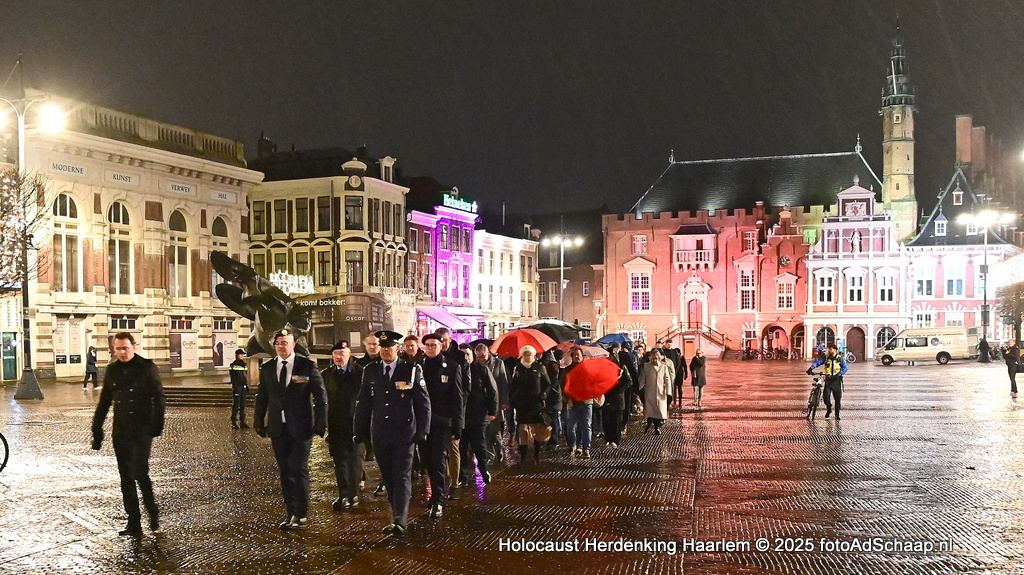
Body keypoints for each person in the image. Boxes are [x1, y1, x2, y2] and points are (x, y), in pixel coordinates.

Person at [354, 330, 430, 537]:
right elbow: (363, 403)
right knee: (388, 476)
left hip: (404, 432)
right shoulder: (370, 370)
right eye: (383, 347)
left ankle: (400, 519)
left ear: (398, 349)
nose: (386, 351)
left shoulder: (411, 369)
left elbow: (423, 403)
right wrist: (358, 430)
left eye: (390, 347)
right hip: (380, 432)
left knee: (402, 474)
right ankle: (395, 513)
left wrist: (423, 430)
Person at [91, 332, 165, 536]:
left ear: (134, 346)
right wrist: (97, 430)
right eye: (118, 349)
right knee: (125, 478)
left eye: (125, 348)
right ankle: (134, 523)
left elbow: (158, 397)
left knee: (140, 472)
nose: (122, 352)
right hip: (121, 431)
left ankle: (153, 512)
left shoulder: (147, 367)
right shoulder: (112, 370)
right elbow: (105, 401)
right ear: (114, 350)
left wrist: (157, 424)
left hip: (142, 429)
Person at [253, 329, 327, 530]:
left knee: (298, 467)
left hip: (302, 427)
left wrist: (321, 423)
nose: (281, 346)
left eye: (285, 342)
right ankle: (290, 511)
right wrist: (258, 421)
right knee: (285, 470)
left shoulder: (307, 366)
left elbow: (321, 397)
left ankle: (301, 513)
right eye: (278, 343)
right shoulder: (268, 368)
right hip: (278, 427)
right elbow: (262, 397)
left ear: (293, 344)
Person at [420, 333, 463, 519]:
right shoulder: (417, 367)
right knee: (427, 461)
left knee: (438, 460)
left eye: (434, 344)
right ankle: (435, 495)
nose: (431, 348)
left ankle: (438, 499)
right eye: (428, 345)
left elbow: (457, 397)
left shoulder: (452, 367)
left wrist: (458, 425)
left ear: (441, 346)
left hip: (441, 422)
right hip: (421, 422)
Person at [322, 340, 364, 511]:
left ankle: (354, 494)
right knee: (340, 462)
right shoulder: (326, 374)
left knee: (355, 460)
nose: (339, 357)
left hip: (355, 424)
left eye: (343, 353)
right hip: (336, 425)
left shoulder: (360, 372)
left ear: (349, 355)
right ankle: (343, 495)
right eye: (336, 354)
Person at [460, 343, 498, 485]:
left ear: (472, 355)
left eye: (467, 354)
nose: (465, 357)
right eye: (462, 355)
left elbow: (492, 390)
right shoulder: (457, 370)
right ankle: (462, 476)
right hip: (462, 415)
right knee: (462, 447)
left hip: (478, 414)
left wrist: (492, 411)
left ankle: (484, 470)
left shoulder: (481, 369)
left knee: (479, 445)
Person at [508, 345, 552, 464]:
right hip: (522, 403)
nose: (527, 356)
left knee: (537, 429)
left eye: (529, 354)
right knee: (523, 429)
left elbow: (547, 384)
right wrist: (512, 399)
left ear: (533, 355)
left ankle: (536, 454)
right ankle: (523, 454)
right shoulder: (518, 368)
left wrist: (544, 394)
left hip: (536, 403)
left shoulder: (539, 367)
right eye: (525, 354)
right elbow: (513, 385)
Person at [355, 333, 384, 496]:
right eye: (370, 344)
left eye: (376, 344)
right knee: (360, 449)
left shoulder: (385, 362)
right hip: (365, 414)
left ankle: (384, 481)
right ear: (365, 345)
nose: (373, 347)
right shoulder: (359, 365)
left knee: (382, 451)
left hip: (382, 414)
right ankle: (360, 477)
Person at [476, 344, 509, 465]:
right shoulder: (476, 364)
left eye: (483, 356)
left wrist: (504, 401)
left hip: (496, 401)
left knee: (495, 430)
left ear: (488, 353)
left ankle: (499, 449)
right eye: (479, 357)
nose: (481, 359)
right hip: (482, 402)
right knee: (485, 430)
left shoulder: (498, 363)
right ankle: (489, 454)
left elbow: (503, 382)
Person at [562, 347, 593, 459]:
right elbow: (563, 387)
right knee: (570, 427)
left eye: (578, 355)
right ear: (571, 357)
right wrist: (567, 399)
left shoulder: (588, 369)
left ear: (582, 356)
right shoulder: (567, 370)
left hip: (586, 402)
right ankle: (573, 445)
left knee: (586, 426)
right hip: (573, 403)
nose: (576, 356)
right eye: (574, 355)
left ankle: (586, 448)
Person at [806, 343, 848, 419]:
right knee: (826, 398)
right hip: (828, 381)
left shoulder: (840, 359)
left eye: (830, 349)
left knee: (837, 399)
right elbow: (818, 362)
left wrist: (839, 374)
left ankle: (837, 415)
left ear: (835, 350)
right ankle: (829, 408)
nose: (829, 350)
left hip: (836, 381)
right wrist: (811, 368)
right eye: (829, 349)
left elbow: (845, 368)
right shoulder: (826, 358)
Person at [602, 345, 632, 448]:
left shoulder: (622, 367)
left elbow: (629, 381)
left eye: (612, 355)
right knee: (606, 420)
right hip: (607, 396)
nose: (610, 357)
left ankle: (616, 440)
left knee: (616, 421)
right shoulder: (604, 368)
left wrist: (618, 390)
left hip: (617, 398)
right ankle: (608, 438)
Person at [639, 348, 672, 434]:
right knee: (651, 410)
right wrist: (639, 388)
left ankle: (657, 426)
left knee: (660, 410)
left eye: (656, 358)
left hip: (661, 392)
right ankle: (651, 424)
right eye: (653, 358)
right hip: (650, 392)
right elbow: (643, 378)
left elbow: (667, 379)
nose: (655, 360)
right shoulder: (646, 366)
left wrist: (668, 391)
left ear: (659, 358)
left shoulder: (664, 366)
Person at [660, 339, 687, 407]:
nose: (669, 345)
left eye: (670, 344)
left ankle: (675, 402)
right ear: (665, 344)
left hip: (674, 374)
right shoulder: (663, 352)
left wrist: (674, 372)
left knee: (674, 388)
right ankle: (667, 401)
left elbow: (678, 363)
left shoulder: (674, 352)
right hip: (664, 373)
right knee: (666, 388)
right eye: (668, 344)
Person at [229, 349, 249, 429]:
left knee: (243, 405)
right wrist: (235, 387)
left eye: (243, 354)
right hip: (237, 388)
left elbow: (245, 376)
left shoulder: (244, 364)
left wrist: (246, 385)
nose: (242, 356)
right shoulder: (233, 364)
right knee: (236, 405)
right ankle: (234, 422)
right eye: (241, 354)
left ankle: (242, 422)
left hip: (243, 387)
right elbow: (233, 378)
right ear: (237, 355)